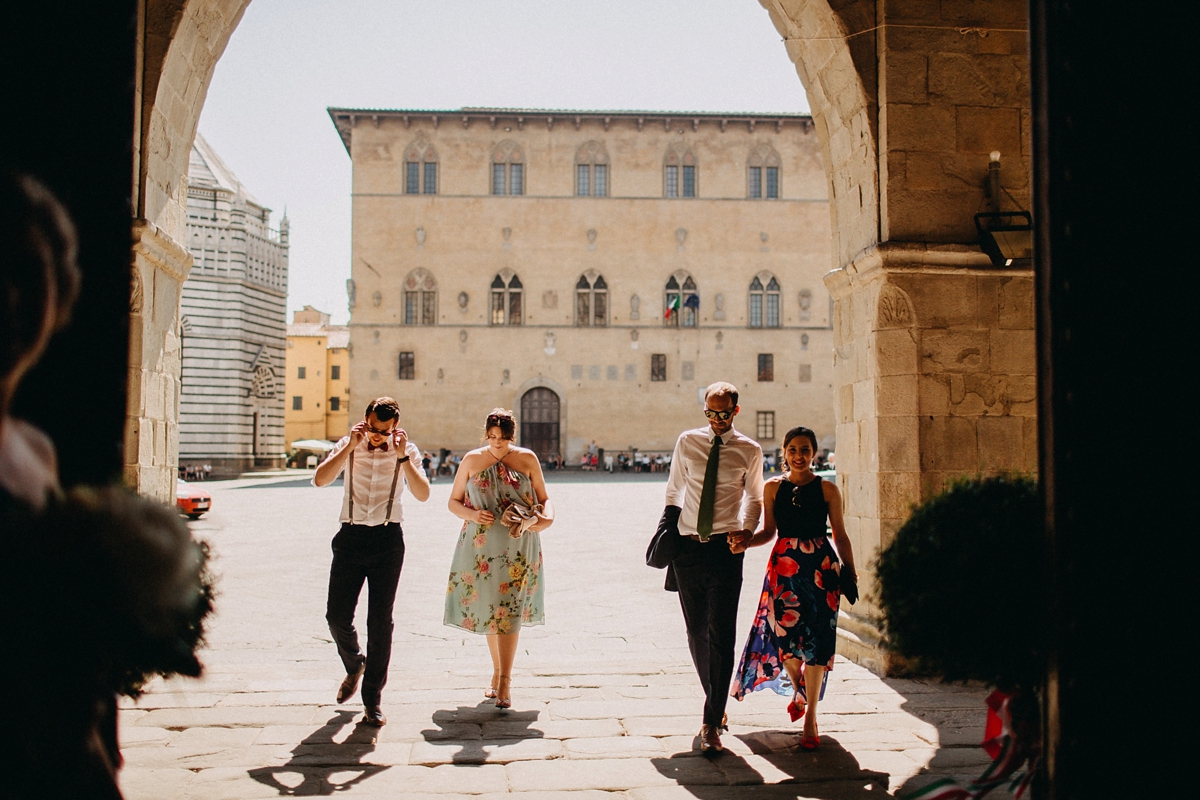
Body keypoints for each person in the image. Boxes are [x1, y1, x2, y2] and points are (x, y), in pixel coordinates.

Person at [728, 426, 859, 751]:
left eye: (805, 450)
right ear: (784, 452)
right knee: (783, 638)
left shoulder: (828, 489)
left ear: (813, 453)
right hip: (783, 570)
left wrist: (850, 573)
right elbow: (769, 532)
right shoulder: (773, 489)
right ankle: (799, 688)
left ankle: (811, 717)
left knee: (817, 643)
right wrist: (745, 542)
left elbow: (839, 535)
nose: (799, 456)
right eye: (793, 450)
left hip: (821, 572)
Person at [312, 397, 430, 726]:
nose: (377, 437)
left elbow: (423, 494)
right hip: (350, 538)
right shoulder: (349, 444)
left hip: (388, 540)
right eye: (373, 429)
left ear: (395, 427)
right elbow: (320, 480)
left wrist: (403, 456)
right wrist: (349, 447)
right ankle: (354, 664)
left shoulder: (407, 449)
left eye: (384, 431)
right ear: (365, 420)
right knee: (336, 617)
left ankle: (372, 699)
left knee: (380, 623)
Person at [663, 382, 764, 753]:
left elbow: (754, 498)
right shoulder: (687, 442)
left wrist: (747, 529)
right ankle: (717, 699)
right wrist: (668, 534)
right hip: (688, 550)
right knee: (696, 633)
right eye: (711, 413)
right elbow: (673, 491)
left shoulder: (749, 450)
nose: (717, 420)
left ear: (735, 411)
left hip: (725, 550)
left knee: (722, 632)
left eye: (723, 414)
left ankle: (710, 721)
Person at [444, 409, 554, 709]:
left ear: (512, 437)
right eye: (492, 437)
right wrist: (472, 513)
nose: (497, 443)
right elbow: (453, 501)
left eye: (503, 439)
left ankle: (505, 681)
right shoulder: (471, 460)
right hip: (479, 548)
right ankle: (496, 672)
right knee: (491, 611)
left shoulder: (527, 459)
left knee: (510, 611)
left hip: (519, 545)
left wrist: (538, 519)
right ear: (486, 434)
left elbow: (545, 500)